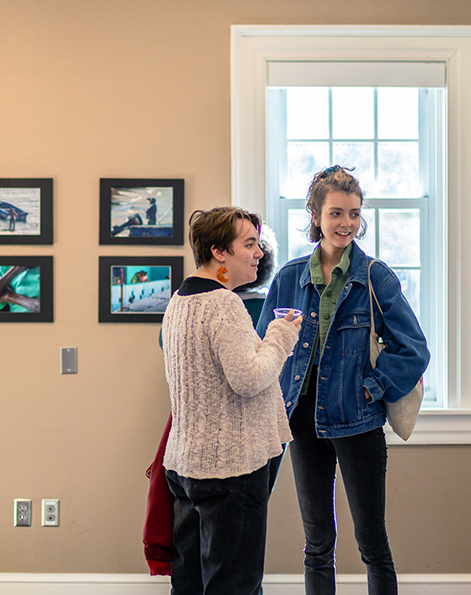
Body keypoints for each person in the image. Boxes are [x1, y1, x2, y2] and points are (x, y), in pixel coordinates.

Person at [257, 165, 429, 595]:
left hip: (358, 419)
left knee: (372, 541)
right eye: (336, 213)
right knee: (317, 543)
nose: (346, 224)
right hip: (300, 420)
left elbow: (413, 349)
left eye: (354, 214)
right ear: (315, 215)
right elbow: (264, 347)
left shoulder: (375, 277)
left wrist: (371, 389)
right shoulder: (289, 278)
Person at [161, 206, 301, 595]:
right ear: (218, 251)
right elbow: (249, 379)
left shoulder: (179, 301)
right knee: (234, 586)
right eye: (250, 244)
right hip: (231, 469)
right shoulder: (223, 304)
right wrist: (280, 335)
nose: (259, 253)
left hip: (187, 465)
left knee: (189, 584)